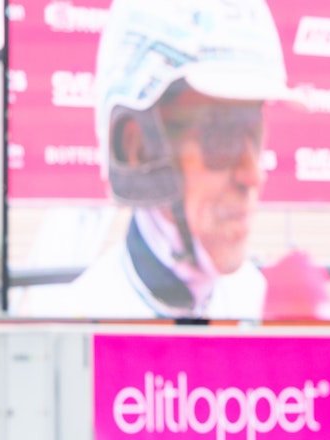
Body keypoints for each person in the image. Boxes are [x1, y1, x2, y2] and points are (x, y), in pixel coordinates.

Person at [56, 0, 294, 320]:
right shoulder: (83, 325)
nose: (253, 176)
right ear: (138, 149)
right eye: (222, 138)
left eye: (255, 136)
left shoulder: (260, 307)